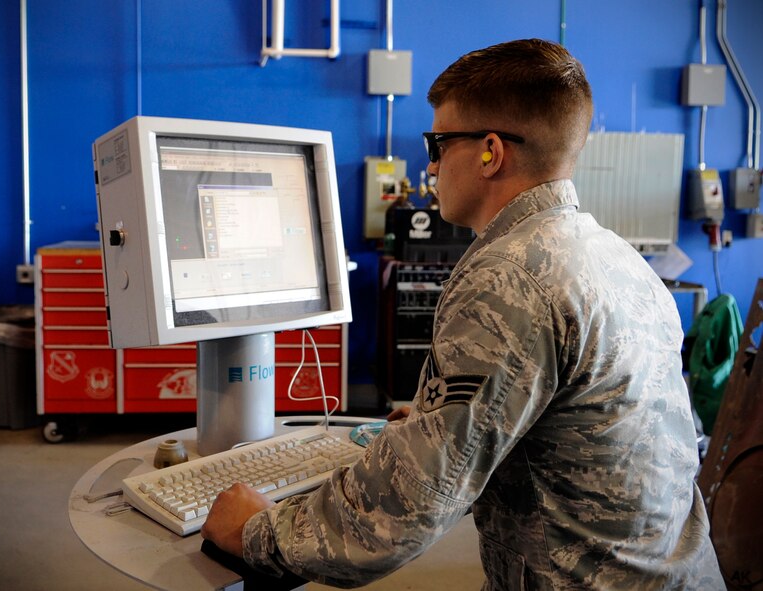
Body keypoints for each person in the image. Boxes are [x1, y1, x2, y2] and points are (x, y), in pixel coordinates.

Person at [202, 38, 726, 590]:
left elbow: (401, 513)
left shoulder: (509, 278)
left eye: (437, 144)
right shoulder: (617, 256)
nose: (430, 165)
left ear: (490, 152)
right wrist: (437, 425)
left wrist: (257, 531)